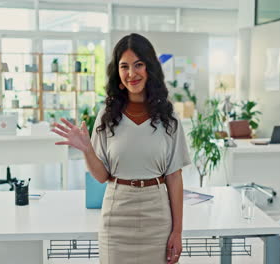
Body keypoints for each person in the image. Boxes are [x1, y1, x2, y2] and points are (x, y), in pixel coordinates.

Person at [52, 33, 191, 264]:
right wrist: (87, 150)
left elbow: (175, 178)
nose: (131, 74)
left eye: (138, 65)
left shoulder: (169, 118)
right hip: (117, 216)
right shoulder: (107, 116)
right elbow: (101, 176)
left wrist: (177, 231)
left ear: (150, 68)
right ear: (117, 73)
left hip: (157, 216)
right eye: (124, 66)